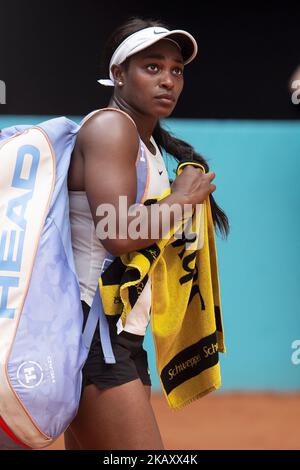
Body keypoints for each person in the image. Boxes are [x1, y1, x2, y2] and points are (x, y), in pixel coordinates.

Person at [65, 17, 229, 450]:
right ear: (118, 74)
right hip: (93, 336)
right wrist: (181, 200)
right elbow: (117, 233)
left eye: (176, 70)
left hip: (118, 337)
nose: (168, 81)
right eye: (152, 67)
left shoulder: (149, 144)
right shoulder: (110, 128)